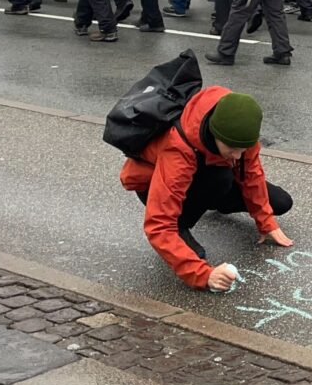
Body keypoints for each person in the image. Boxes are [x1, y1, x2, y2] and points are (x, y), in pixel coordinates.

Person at [120, 83, 293, 289]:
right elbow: (158, 224)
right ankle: (182, 225)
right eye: (232, 148)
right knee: (220, 179)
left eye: (243, 149)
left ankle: (217, 200)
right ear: (215, 134)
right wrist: (202, 275)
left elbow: (251, 174)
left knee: (281, 202)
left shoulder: (241, 129)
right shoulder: (178, 149)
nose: (238, 156)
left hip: (207, 176)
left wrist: (266, 222)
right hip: (153, 185)